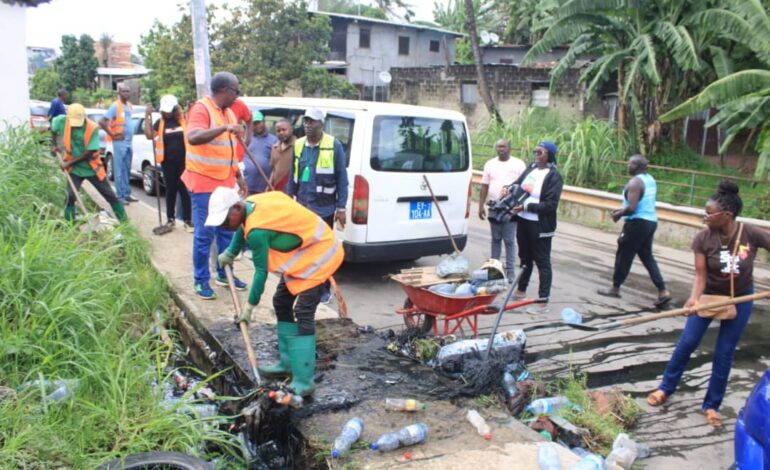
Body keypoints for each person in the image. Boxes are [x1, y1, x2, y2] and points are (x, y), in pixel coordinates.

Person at [646, 180, 770, 428]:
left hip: (740, 299)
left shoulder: (750, 233)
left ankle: (712, 405)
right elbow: (701, 275)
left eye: (709, 213)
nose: (704, 216)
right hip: (708, 297)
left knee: (724, 352)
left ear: (727, 215)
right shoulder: (703, 238)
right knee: (687, 343)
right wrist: (694, 299)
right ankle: (665, 388)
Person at [209, 187, 344, 397]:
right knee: (281, 301)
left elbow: (261, 273)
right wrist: (231, 252)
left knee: (304, 310)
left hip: (321, 252)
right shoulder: (250, 205)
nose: (225, 226)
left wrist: (249, 308)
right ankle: (287, 363)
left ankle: (304, 380)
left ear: (236, 207)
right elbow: (243, 228)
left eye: (226, 220)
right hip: (304, 251)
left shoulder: (257, 231)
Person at [183, 71, 249, 300]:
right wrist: (223, 128)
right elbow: (193, 137)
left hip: (225, 183)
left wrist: (238, 175)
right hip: (204, 183)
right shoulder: (201, 109)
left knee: (227, 232)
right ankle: (201, 280)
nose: (237, 97)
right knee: (205, 235)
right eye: (236, 92)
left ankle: (224, 274)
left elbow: (228, 150)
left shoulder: (228, 112)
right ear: (225, 90)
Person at [286, 107, 348, 304]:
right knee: (303, 249)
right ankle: (306, 286)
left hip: (324, 209)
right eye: (306, 121)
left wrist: (341, 208)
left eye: (312, 121)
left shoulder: (333, 145)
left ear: (321, 124)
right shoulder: (299, 145)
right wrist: (288, 201)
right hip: (303, 207)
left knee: (323, 251)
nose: (307, 125)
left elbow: (342, 178)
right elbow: (292, 175)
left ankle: (323, 290)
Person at [597, 155, 671, 306]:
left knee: (623, 254)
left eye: (630, 164)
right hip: (650, 221)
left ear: (637, 166)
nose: (627, 166)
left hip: (637, 223)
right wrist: (621, 210)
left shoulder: (635, 182)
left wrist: (619, 214)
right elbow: (640, 202)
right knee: (647, 256)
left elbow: (632, 208)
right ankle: (663, 290)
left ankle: (615, 288)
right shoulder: (649, 179)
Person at [509, 141, 563, 314]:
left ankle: (542, 301)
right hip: (523, 220)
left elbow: (551, 205)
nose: (536, 155)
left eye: (540, 152)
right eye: (535, 151)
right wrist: (507, 189)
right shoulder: (531, 169)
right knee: (525, 257)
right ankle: (521, 290)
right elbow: (517, 184)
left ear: (549, 155)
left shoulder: (554, 176)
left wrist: (527, 207)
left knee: (542, 261)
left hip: (540, 225)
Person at [51, 103, 127, 222]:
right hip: (75, 169)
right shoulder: (61, 121)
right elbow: (53, 129)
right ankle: (69, 224)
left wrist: (68, 164)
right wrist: (54, 144)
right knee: (70, 196)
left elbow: (89, 153)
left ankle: (125, 223)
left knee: (110, 195)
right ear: (68, 117)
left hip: (92, 167)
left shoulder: (92, 128)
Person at [478, 139, 526, 279]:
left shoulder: (518, 164)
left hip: (511, 208)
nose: (501, 149)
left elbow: (525, 186)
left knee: (509, 240)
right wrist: (480, 206)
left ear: (509, 148)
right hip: (494, 206)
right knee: (495, 239)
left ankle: (510, 271)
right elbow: (484, 186)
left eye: (504, 146)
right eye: (499, 147)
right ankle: (494, 269)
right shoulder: (490, 164)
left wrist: (520, 205)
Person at [143, 94, 192, 230]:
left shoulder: (183, 121)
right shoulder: (160, 123)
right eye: (164, 110)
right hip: (167, 163)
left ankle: (188, 220)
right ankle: (170, 219)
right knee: (171, 189)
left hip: (184, 162)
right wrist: (147, 116)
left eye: (169, 110)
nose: (166, 113)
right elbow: (149, 135)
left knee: (184, 189)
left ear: (175, 108)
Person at [99, 83, 137, 205]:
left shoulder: (129, 106)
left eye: (128, 91)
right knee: (119, 169)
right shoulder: (115, 106)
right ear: (119, 93)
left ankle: (126, 193)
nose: (126, 93)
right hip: (120, 142)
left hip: (129, 141)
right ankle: (120, 196)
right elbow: (102, 122)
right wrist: (112, 134)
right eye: (123, 91)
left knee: (127, 169)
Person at [243, 111, 278, 194]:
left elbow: (276, 163)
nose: (256, 126)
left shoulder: (274, 140)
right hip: (246, 184)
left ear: (264, 122)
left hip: (264, 185)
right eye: (254, 124)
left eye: (258, 123)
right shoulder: (246, 138)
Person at [268, 119, 296, 192]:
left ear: (291, 130)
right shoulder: (274, 147)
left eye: (284, 130)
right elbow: (273, 170)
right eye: (278, 131)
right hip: (277, 189)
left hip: (292, 189)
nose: (281, 133)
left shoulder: (298, 145)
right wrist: (269, 187)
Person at [229, 97, 253, 163]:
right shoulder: (210, 106)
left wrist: (248, 140)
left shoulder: (238, 104)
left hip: (236, 155)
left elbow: (249, 118)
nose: (236, 96)